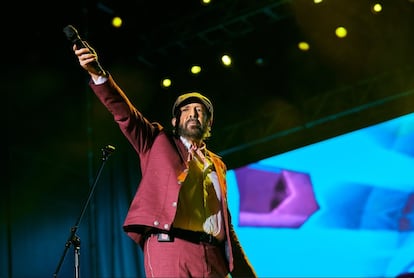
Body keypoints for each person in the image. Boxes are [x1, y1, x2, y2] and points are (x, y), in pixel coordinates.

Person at [72, 42, 257, 278]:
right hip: (170, 248)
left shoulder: (217, 164)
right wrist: (98, 74)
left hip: (212, 255)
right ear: (175, 121)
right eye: (187, 110)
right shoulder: (156, 141)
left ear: (209, 123)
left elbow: (224, 223)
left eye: (200, 111)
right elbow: (126, 114)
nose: (193, 114)